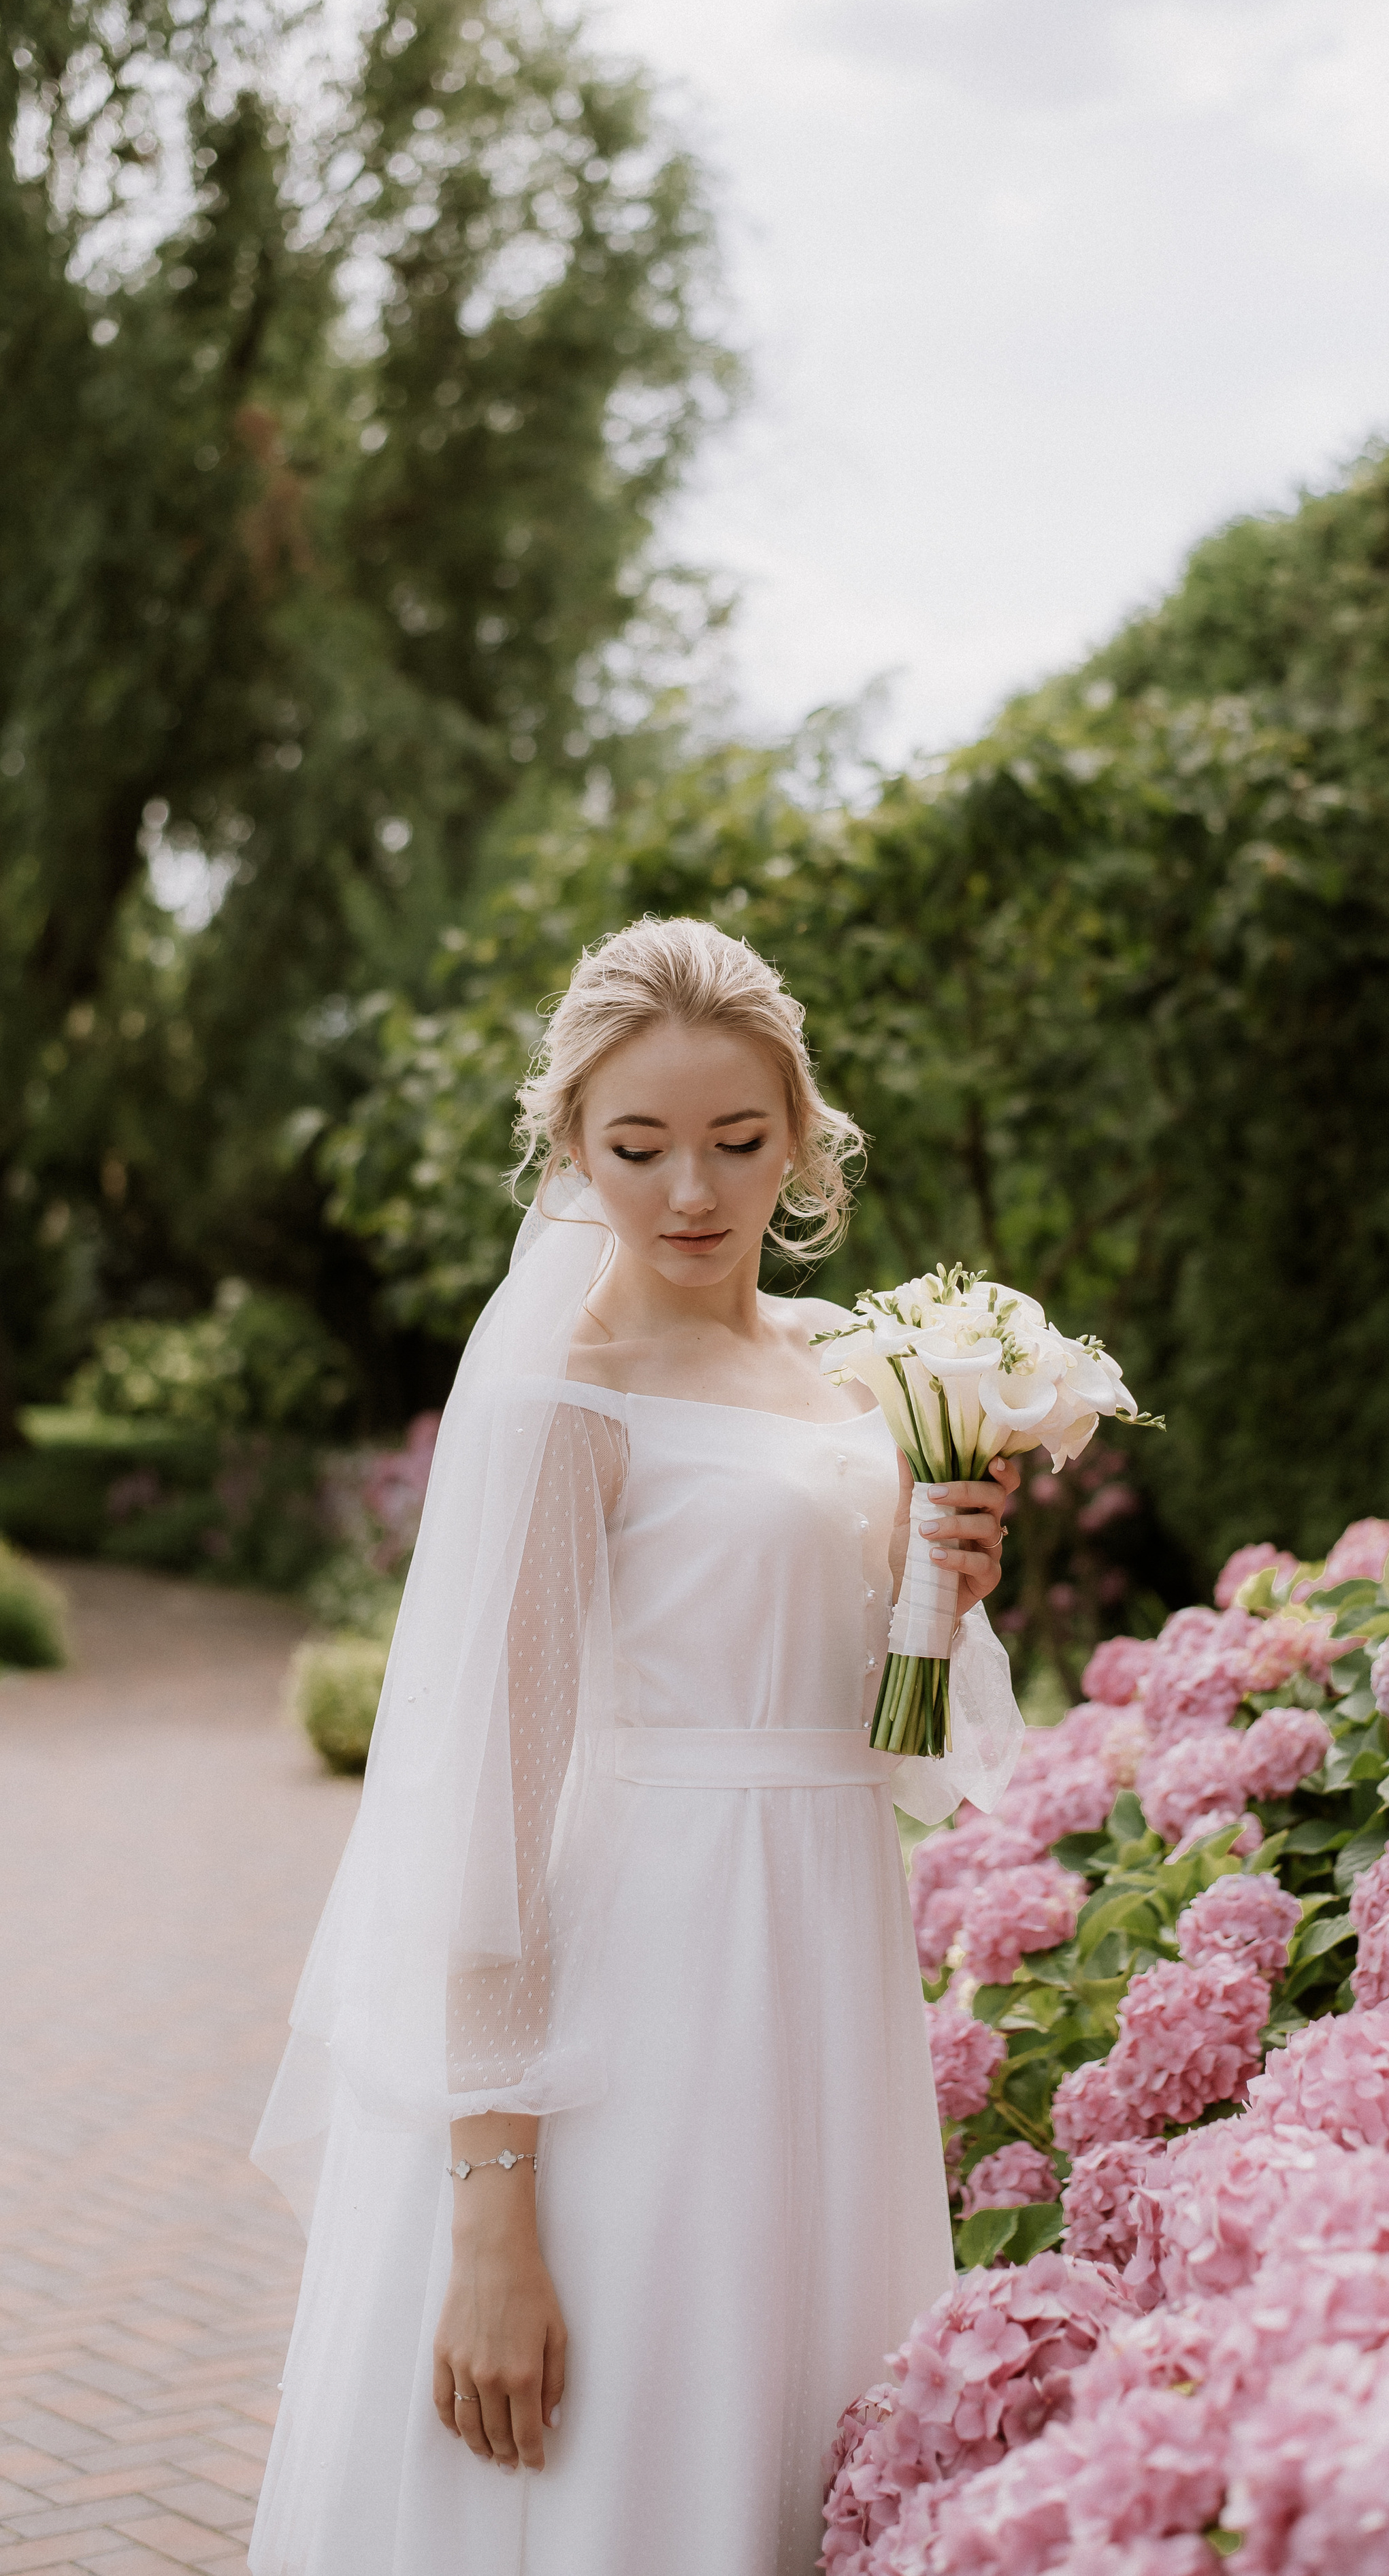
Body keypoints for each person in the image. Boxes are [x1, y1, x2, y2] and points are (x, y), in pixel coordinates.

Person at [248, 918, 1024, 2576]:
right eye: (639, 1146)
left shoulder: (848, 1372)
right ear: (566, 1148)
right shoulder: (564, 1398)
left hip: (821, 1979)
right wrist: (491, 2215)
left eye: (739, 1143)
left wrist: (942, 1588)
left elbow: (899, 1753)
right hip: (637, 2007)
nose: (692, 1190)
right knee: (623, 2460)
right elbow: (487, 1830)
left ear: (802, 1143)